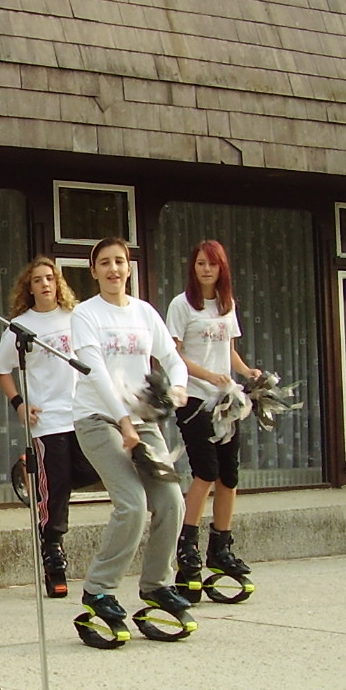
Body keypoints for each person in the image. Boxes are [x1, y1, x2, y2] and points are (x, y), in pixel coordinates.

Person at [68, 236, 195, 647]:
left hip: (142, 420)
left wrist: (178, 387)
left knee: (171, 501)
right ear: (94, 271)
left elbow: (172, 359)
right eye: (104, 262)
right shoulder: (86, 314)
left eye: (119, 261)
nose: (113, 269)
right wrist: (123, 422)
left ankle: (157, 585)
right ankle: (99, 590)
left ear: (128, 267)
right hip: (98, 418)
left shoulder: (144, 312)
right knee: (132, 503)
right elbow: (95, 372)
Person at [0, 253, 94, 599]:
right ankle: (53, 552)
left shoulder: (77, 318)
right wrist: (19, 403)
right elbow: (0, 368)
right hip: (48, 420)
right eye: (38, 280)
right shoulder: (21, 326)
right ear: (29, 288)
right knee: (58, 489)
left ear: (58, 283)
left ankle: (38, 477)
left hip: (83, 412)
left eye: (50, 278)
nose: (45, 284)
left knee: (92, 470)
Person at [166, 240, 263, 600]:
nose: (206, 270)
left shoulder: (226, 304)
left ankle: (220, 546)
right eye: (200, 264)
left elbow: (229, 349)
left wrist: (246, 371)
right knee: (205, 471)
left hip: (226, 400)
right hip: (193, 397)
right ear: (193, 268)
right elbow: (173, 355)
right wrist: (207, 375)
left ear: (222, 269)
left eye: (212, 264)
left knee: (229, 474)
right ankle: (187, 548)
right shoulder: (181, 305)